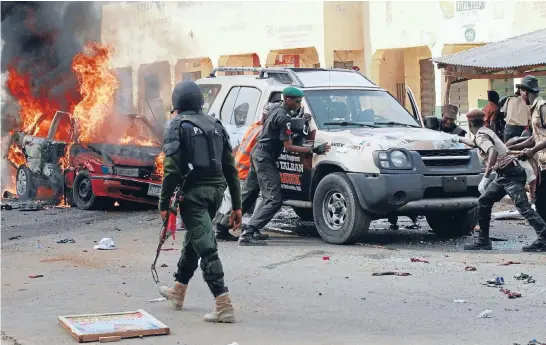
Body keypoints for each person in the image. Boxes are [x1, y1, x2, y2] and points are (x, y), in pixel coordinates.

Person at [158, 80, 243, 322]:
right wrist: (237, 206)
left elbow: (172, 170)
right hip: (216, 193)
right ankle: (178, 291)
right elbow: (231, 169)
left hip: (193, 196)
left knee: (206, 246)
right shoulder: (215, 124)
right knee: (194, 241)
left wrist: (164, 205)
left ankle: (223, 304)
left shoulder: (176, 124)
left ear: (176, 104)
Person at [238, 86, 331, 246]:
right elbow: (288, 146)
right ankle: (249, 232)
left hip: (258, 153)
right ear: (288, 99)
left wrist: (297, 116)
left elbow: (276, 119)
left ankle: (223, 226)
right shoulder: (283, 118)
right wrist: (313, 149)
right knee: (274, 198)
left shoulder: (276, 107)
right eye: (297, 101)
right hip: (265, 158)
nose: (299, 104)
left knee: (249, 193)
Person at [453, 109, 546, 251]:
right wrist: (456, 139)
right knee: (484, 201)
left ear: (470, 124)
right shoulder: (486, 131)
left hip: (511, 174)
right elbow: (474, 143)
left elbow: (492, 151)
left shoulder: (481, 136)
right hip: (506, 175)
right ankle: (483, 240)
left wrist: (485, 178)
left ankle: (544, 238)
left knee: (523, 208)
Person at [214, 102, 279, 241]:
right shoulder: (265, 130)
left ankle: (222, 228)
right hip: (246, 169)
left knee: (239, 199)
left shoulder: (254, 126)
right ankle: (239, 229)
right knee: (247, 199)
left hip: (240, 167)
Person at [507, 76, 546, 242]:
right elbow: (535, 138)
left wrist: (533, 150)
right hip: (541, 163)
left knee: (542, 202)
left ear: (525, 92)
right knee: (541, 201)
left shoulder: (543, 107)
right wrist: (512, 147)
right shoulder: (533, 109)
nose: (520, 96)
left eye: (521, 92)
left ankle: (543, 239)